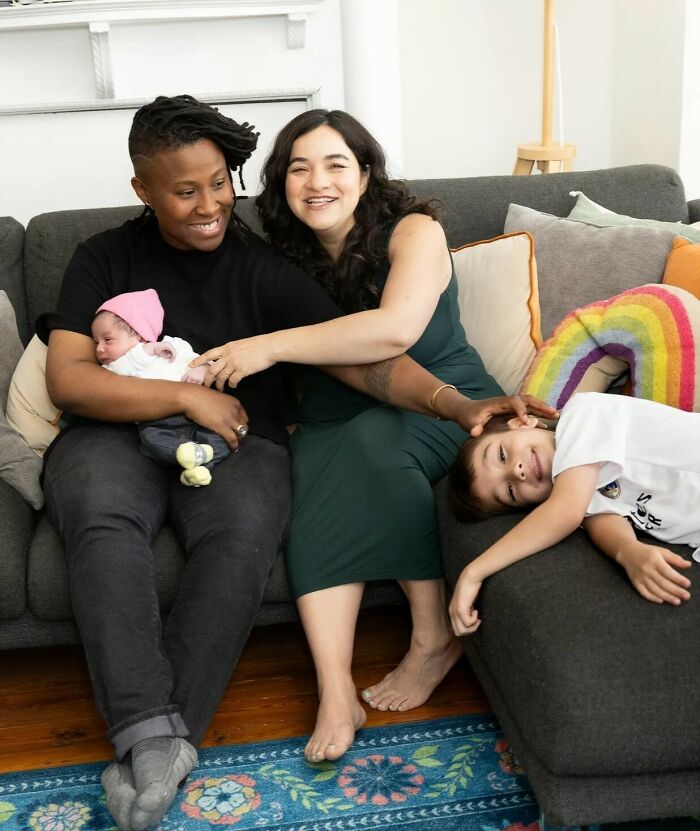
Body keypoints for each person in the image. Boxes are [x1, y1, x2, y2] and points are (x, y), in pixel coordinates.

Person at [41, 95, 551, 831]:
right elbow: (70, 380)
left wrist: (454, 403)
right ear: (142, 190)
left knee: (245, 534)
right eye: (184, 191)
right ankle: (158, 739)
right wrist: (186, 401)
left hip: (242, 440)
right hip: (109, 435)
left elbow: (369, 365)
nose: (210, 204)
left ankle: (150, 743)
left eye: (220, 182)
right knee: (101, 517)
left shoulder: (269, 271)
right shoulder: (102, 256)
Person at [190, 108, 557, 764]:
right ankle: (335, 690)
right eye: (299, 167)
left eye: (336, 164)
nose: (317, 181)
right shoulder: (280, 257)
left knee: (374, 449)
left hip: (442, 402)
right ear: (280, 184)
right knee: (310, 489)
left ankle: (432, 636)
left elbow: (393, 331)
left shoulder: (414, 231)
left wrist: (269, 346)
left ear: (365, 174)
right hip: (332, 411)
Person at [448, 391, 697, 638]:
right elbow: (601, 521)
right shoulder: (579, 492)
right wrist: (629, 550)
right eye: (510, 491)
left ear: (521, 423)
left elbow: (566, 512)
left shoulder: (583, 414)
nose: (517, 471)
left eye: (501, 455)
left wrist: (474, 572)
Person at [93, 288, 231, 486]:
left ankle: (199, 468)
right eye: (96, 341)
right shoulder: (114, 367)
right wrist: (150, 349)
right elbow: (134, 362)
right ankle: (185, 456)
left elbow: (201, 362)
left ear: (140, 334)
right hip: (157, 422)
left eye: (108, 339)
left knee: (221, 438)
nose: (99, 348)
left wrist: (200, 370)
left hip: (197, 416)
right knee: (151, 442)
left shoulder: (175, 345)